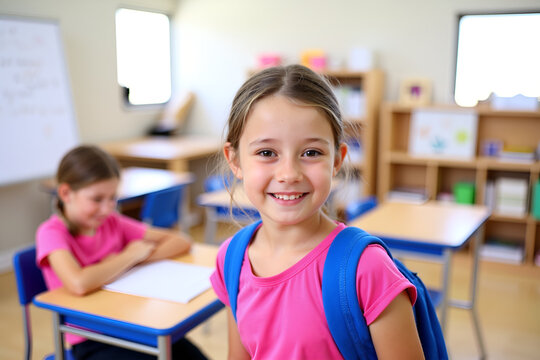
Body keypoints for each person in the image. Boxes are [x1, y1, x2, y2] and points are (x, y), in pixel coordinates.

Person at [210, 64, 425, 360]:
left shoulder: (368, 269)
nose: (289, 174)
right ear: (234, 160)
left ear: (337, 160)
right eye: (266, 153)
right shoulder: (232, 259)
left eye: (311, 153)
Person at [36, 145, 207, 360]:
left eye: (112, 198)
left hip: (134, 324)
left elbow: (180, 241)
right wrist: (127, 256)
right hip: (93, 339)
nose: (107, 208)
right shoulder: (51, 233)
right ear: (65, 193)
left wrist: (133, 259)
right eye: (97, 199)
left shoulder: (111, 222)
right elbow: (78, 283)